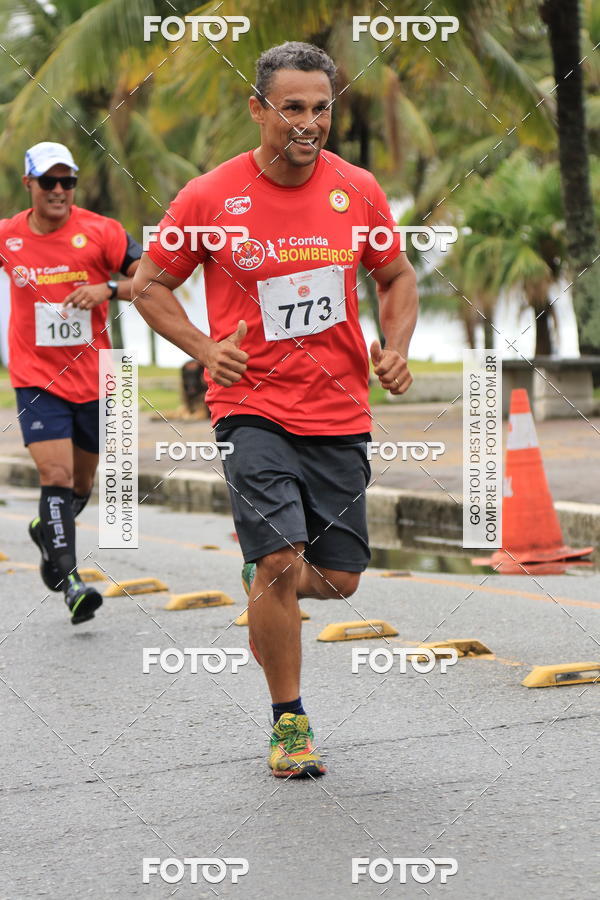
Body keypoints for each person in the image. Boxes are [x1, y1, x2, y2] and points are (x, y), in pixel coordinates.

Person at [132, 42, 418, 777]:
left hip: (339, 407)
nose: (308, 122)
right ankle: (289, 723)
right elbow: (149, 284)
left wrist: (396, 345)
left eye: (320, 107)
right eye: (292, 107)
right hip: (249, 405)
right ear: (259, 108)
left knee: (339, 579)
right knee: (280, 562)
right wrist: (203, 347)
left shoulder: (356, 189)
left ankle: (267, 582)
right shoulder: (209, 196)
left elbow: (394, 274)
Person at [0, 141, 142, 624]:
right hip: (37, 378)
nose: (59, 191)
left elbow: (151, 279)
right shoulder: (8, 237)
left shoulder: (101, 231)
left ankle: (49, 530)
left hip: (98, 379)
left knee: (81, 484)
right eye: (49, 182)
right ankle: (71, 583)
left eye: (68, 181)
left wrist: (107, 287)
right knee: (55, 477)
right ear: (29, 185)